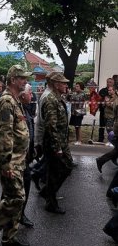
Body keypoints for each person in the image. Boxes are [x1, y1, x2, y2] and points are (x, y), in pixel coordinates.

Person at [0, 65, 31, 246]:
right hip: (9, 160)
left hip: (18, 158)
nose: (26, 81)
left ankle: (9, 239)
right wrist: (5, 164)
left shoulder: (15, 100)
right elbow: (4, 135)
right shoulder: (7, 102)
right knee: (16, 198)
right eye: (22, 78)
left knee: (17, 199)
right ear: (13, 80)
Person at [41, 73, 73, 214]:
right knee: (55, 171)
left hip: (61, 140)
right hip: (54, 142)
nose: (66, 85)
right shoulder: (50, 100)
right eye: (63, 83)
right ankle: (50, 203)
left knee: (66, 167)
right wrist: (57, 147)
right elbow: (50, 126)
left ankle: (47, 192)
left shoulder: (58, 98)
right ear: (55, 84)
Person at [19, 83, 35, 228]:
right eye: (30, 93)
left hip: (26, 156)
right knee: (13, 193)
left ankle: (20, 214)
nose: (32, 95)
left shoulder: (26, 107)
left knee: (25, 186)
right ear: (23, 95)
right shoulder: (14, 107)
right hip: (17, 159)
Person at [98, 78, 115, 142]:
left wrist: (107, 103)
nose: (108, 83)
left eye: (110, 82)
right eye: (107, 82)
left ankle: (111, 140)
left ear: (113, 83)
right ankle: (100, 139)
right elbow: (98, 99)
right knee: (101, 126)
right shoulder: (102, 90)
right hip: (103, 111)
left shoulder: (115, 92)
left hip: (111, 113)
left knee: (110, 127)